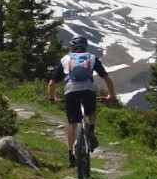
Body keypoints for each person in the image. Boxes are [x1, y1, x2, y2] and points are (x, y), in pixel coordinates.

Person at [48, 35, 117, 168]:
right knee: (92, 110)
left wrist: (52, 98)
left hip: (70, 92)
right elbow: (107, 78)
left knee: (72, 123)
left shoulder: (65, 59)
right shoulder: (91, 58)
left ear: (72, 47)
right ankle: (90, 129)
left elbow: (52, 83)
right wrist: (111, 95)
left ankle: (70, 156)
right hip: (88, 91)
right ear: (85, 46)